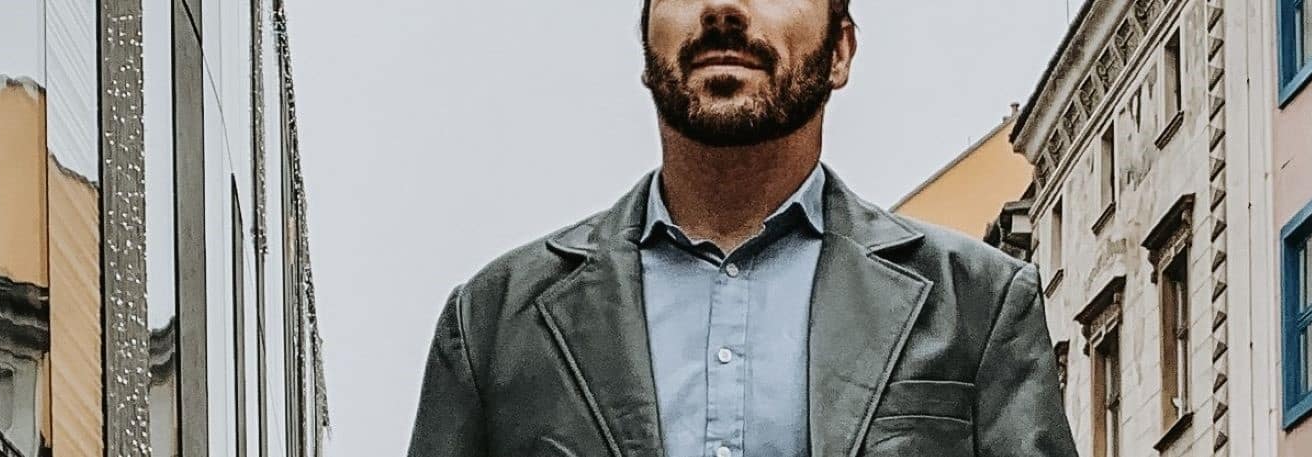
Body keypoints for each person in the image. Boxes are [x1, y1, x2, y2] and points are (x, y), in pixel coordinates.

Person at [409, 0, 1079, 455]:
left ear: (840, 51)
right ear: (645, 46)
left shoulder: (980, 305)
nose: (724, 9)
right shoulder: (494, 323)